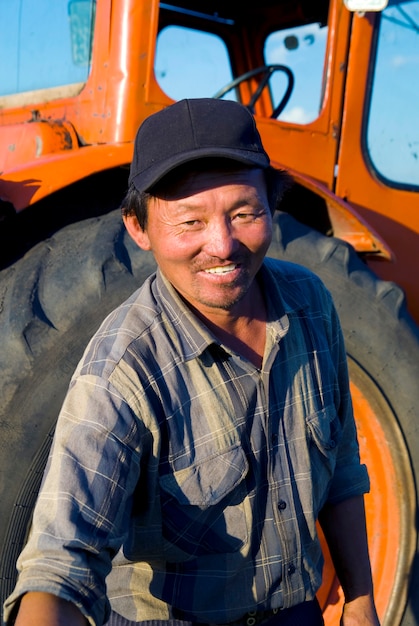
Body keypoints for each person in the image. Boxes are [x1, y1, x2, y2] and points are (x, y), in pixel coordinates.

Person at [4, 98, 380, 626]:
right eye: (189, 221)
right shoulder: (121, 371)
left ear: (272, 207)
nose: (222, 245)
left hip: (296, 611)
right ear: (138, 228)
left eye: (244, 213)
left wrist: (360, 600)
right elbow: (60, 561)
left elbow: (340, 466)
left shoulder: (312, 305)